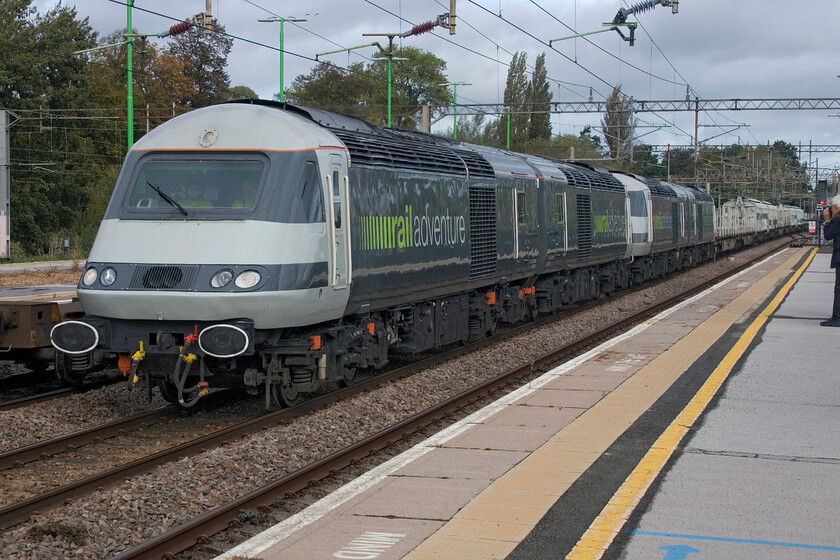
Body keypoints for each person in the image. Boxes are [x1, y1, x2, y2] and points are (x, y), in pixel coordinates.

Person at [821, 194, 840, 326]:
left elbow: (828, 235)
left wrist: (827, 220)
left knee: (839, 289)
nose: (832, 210)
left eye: (833, 208)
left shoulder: (837, 220)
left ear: (837, 207)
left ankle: (837, 318)